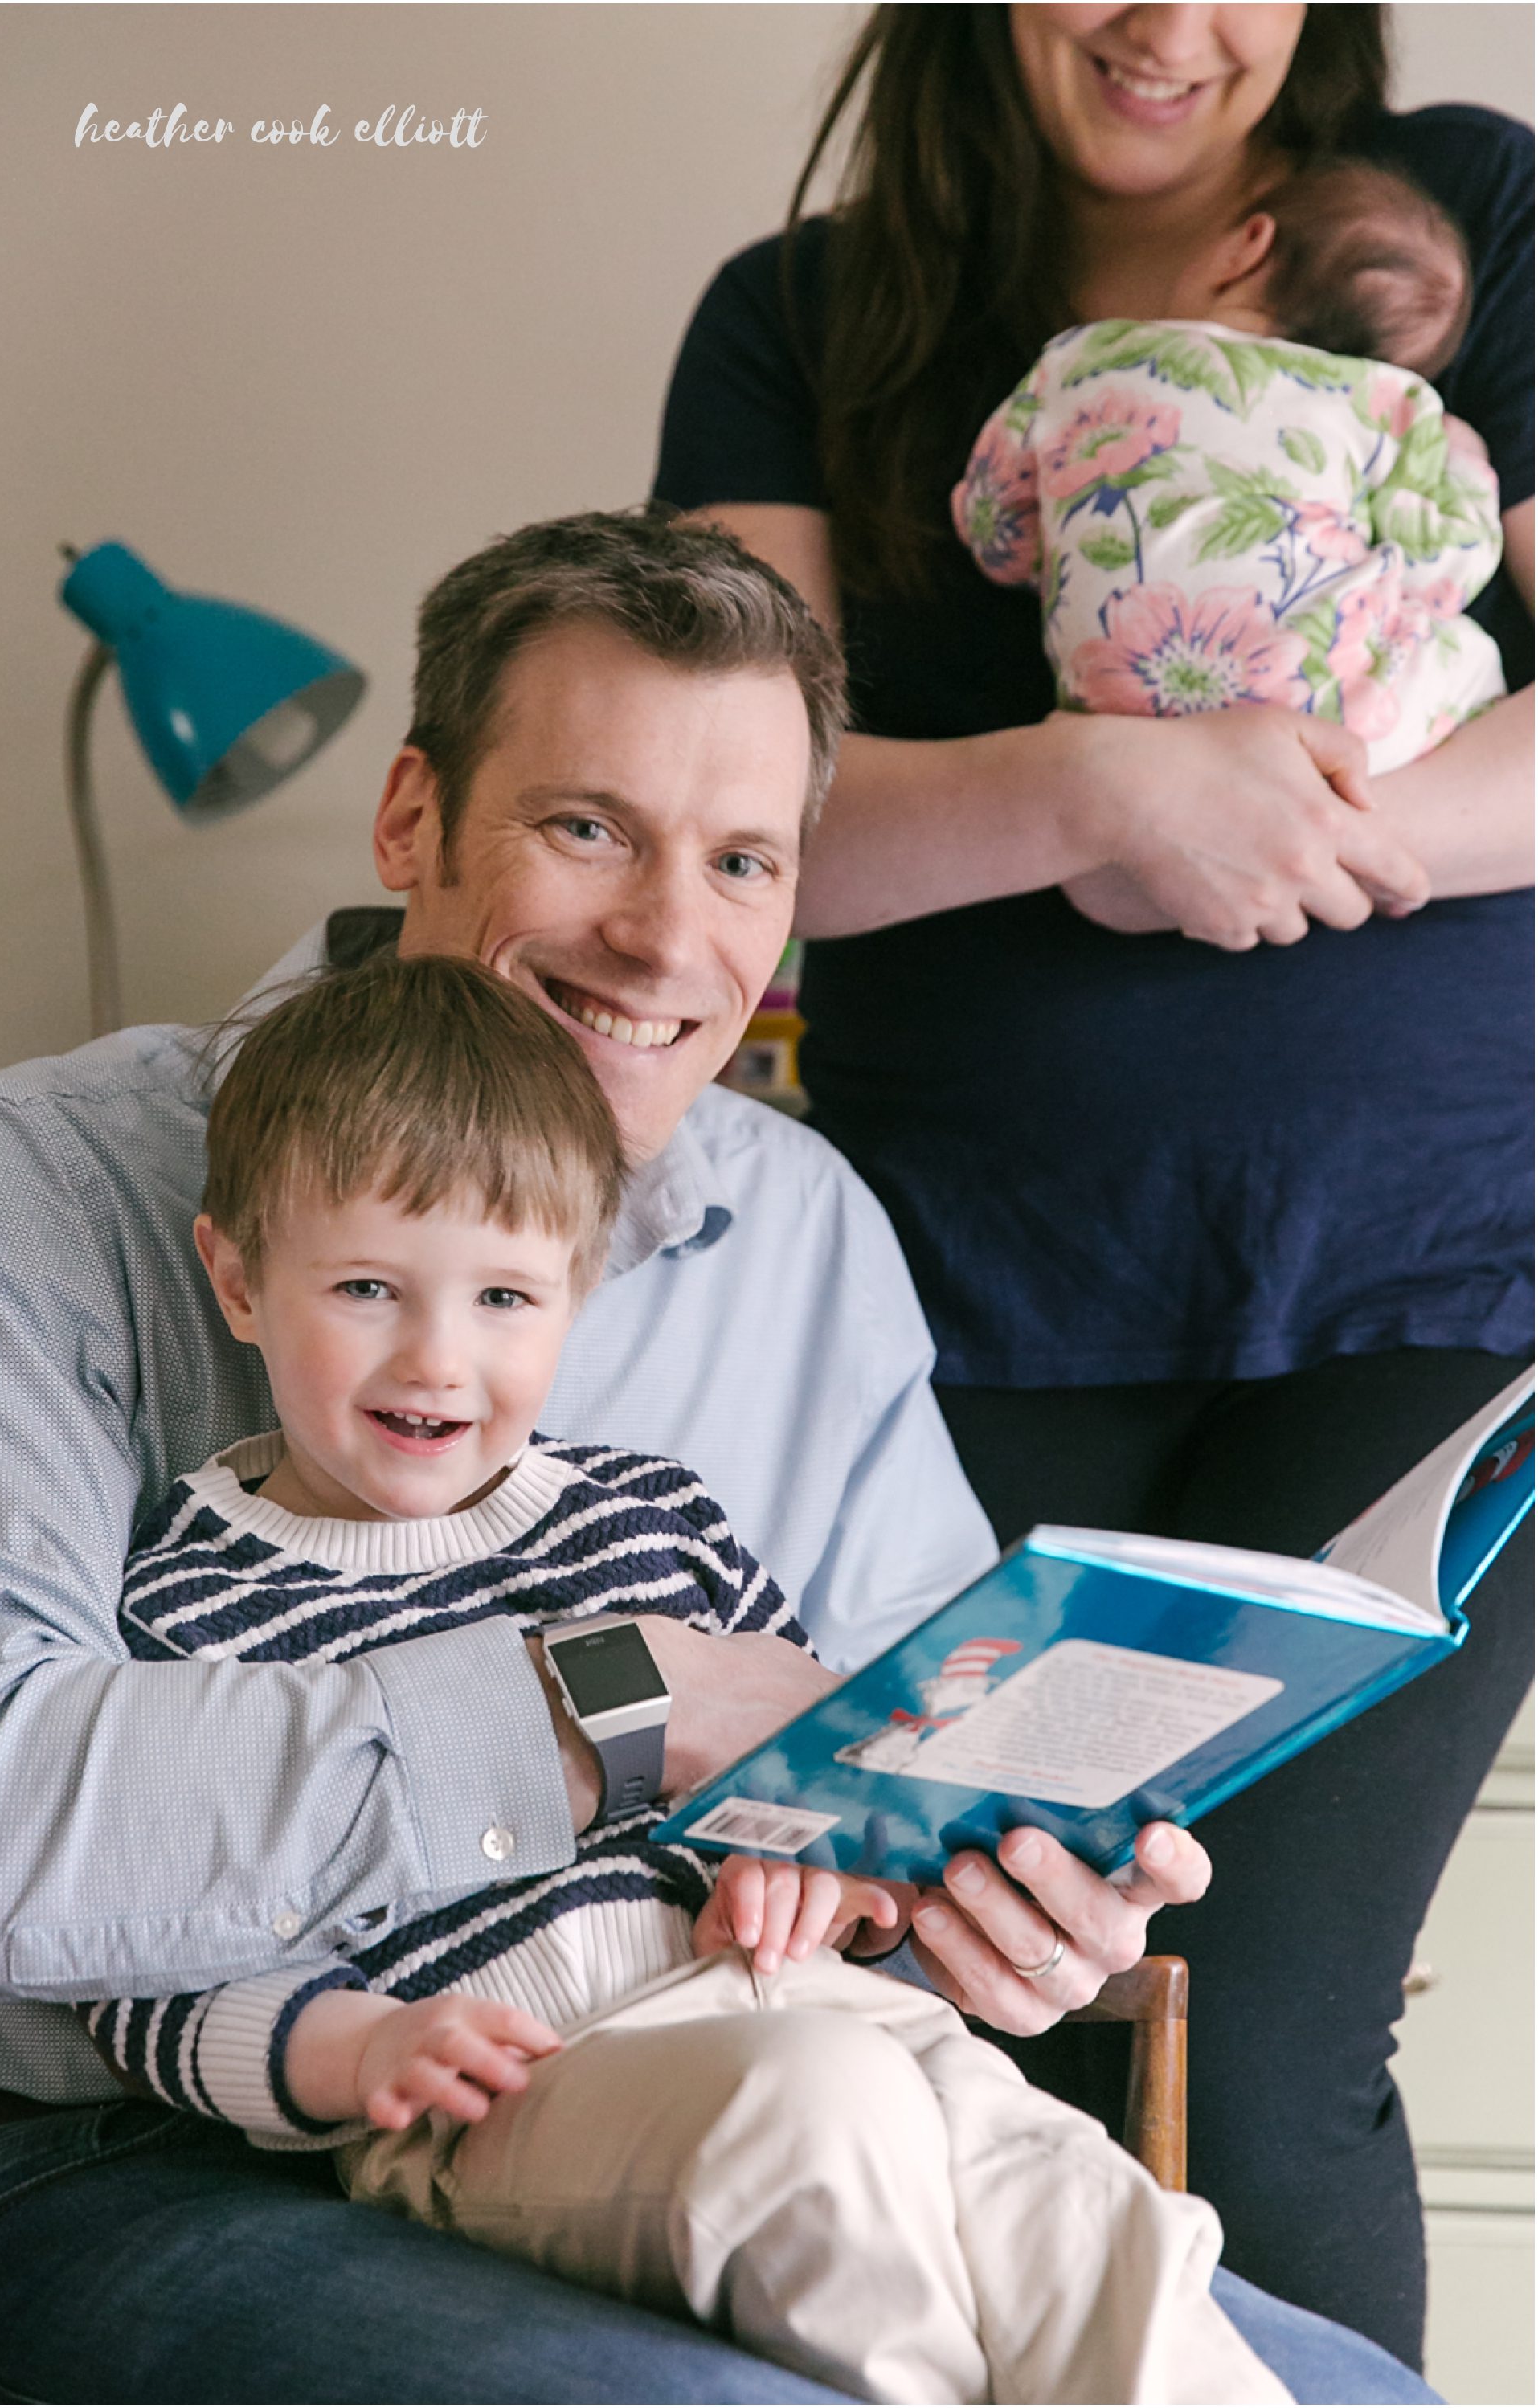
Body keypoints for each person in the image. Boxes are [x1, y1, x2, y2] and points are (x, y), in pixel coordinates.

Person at [0, 508, 1426, 2406]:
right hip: (163, 2156)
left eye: (739, 861)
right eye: (586, 829)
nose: (665, 936)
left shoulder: (798, 1233)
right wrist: (600, 1708)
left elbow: (889, 1741)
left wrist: (1005, 1895)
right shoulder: (11, 1194)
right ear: (410, 820)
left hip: (769, 2083)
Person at [650, 2, 1532, 2365]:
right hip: (967, 1316)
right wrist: (1093, 799)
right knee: (979, 2020)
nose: (1165, 18)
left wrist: (1283, 833)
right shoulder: (802, 320)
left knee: (1234, 2032)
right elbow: (726, 810)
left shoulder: (1459, 221)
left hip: (1449, 1292)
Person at [83, 947, 1286, 2407]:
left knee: (1086, 2209)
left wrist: (821, 1887)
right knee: (823, 2122)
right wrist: (352, 2051)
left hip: (807, 2007)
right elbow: (143, 1958)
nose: (437, 1359)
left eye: (506, 1298)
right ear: (238, 1279)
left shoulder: (652, 1516)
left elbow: (823, 1783)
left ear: (578, 1290)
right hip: (522, 2096)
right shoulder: (191, 1590)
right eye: (364, 1285)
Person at [952, 157, 1506, 775]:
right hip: (1320, 719)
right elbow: (1444, 568)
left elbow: (992, 525)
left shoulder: (1076, 359)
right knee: (1472, 658)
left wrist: (1056, 557)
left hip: (1118, 722)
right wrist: (1465, 460)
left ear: (1247, 245)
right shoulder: (1388, 406)